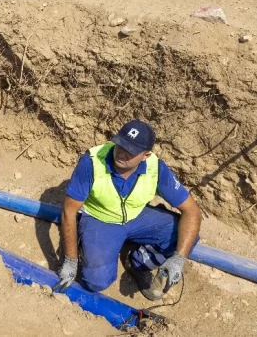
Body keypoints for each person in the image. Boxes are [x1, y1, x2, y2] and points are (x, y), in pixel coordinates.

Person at [54, 119, 201, 299]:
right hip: (101, 219)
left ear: (145, 156)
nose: (121, 153)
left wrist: (179, 259)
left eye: (130, 151)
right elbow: (68, 210)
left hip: (136, 216)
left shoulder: (155, 168)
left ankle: (138, 263)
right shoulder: (91, 163)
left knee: (187, 235)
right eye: (120, 145)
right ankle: (87, 244)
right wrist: (71, 260)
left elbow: (192, 211)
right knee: (97, 282)